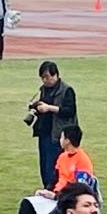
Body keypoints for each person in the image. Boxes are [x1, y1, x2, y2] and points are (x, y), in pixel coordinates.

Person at [2, 124, 94, 214]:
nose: (60, 140)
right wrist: (46, 191)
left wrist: (57, 196)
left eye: (62, 137)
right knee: (27, 204)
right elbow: (55, 179)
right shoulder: (62, 157)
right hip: (56, 197)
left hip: (69, 201)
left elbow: (80, 190)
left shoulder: (83, 161)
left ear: (67, 140)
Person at [27, 60, 77, 191]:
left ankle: (54, 190)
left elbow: (70, 111)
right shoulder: (43, 90)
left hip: (58, 134)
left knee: (53, 166)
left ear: (56, 75)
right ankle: (47, 188)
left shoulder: (66, 90)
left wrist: (49, 108)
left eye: (47, 77)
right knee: (44, 165)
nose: (45, 80)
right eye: (43, 78)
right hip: (44, 132)